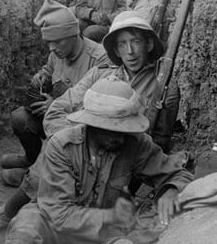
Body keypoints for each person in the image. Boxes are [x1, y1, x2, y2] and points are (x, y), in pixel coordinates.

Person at [0, 78, 192, 244]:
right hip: (54, 234)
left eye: (125, 128)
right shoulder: (62, 146)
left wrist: (171, 189)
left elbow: (178, 173)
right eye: (113, 129)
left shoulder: (135, 143)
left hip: (100, 241)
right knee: (27, 223)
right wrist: (112, 216)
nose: (121, 136)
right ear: (92, 125)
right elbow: (58, 214)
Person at [0, 0, 110, 186]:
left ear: (73, 35)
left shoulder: (99, 59)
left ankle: (44, 179)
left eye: (57, 42)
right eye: (48, 42)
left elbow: (101, 109)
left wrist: (55, 105)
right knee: (20, 118)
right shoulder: (57, 53)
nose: (51, 48)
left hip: (83, 128)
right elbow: (49, 70)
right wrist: (41, 76)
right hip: (55, 117)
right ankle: (31, 160)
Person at [45, 11, 179, 152]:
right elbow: (55, 112)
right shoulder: (99, 75)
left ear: (149, 44)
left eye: (136, 42)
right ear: (115, 50)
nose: (130, 51)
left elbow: (160, 143)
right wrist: (81, 141)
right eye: (122, 44)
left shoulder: (165, 86)